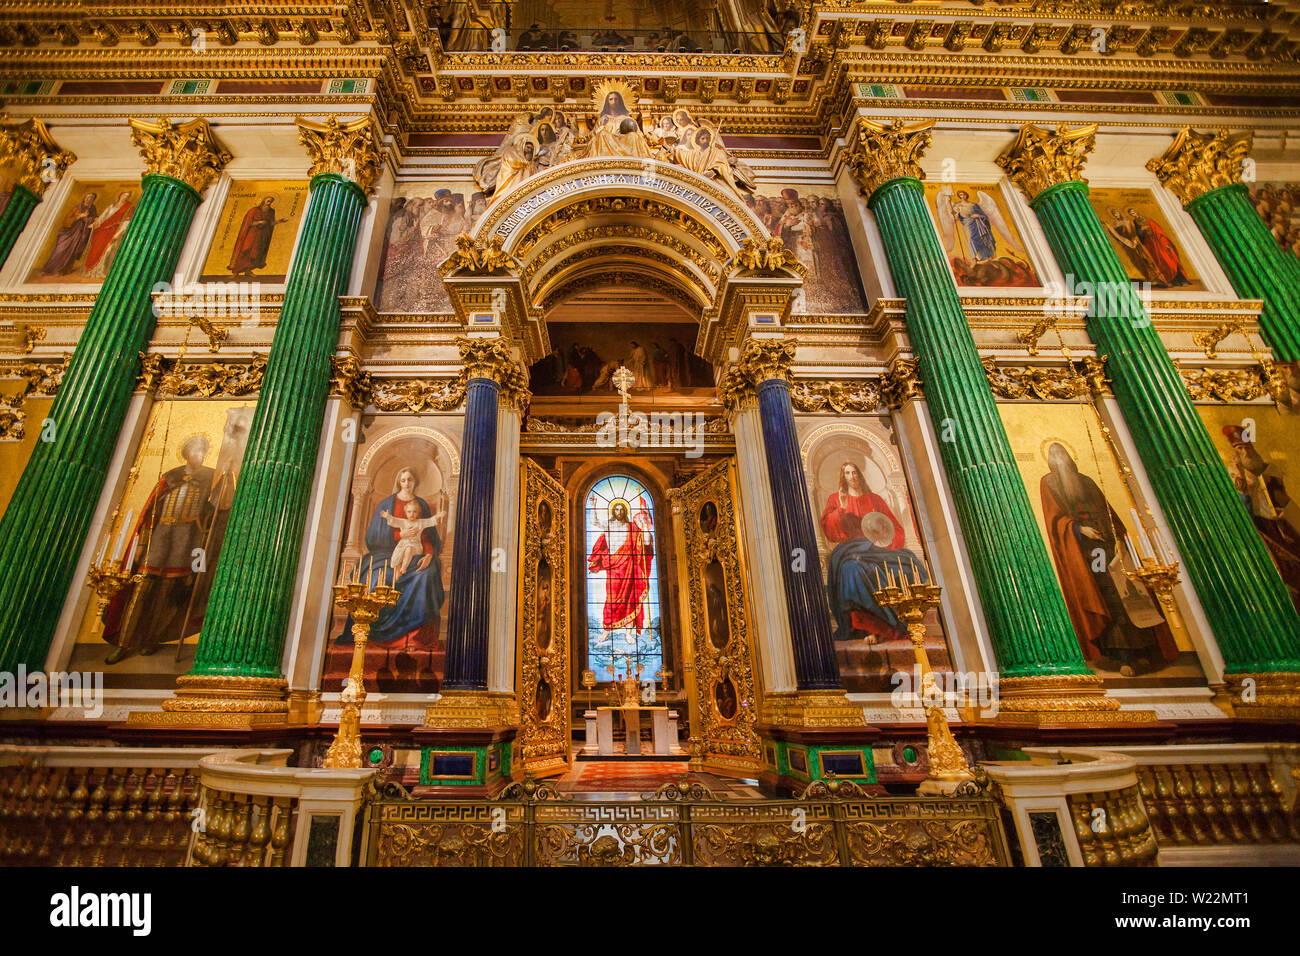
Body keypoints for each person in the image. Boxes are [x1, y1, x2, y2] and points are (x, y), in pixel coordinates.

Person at [1040, 443, 1175, 675]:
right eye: (1056, 456)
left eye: (1063, 454)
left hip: (1110, 544)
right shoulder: (1049, 483)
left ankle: (1143, 653)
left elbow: (1107, 511)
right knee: (1107, 598)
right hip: (1085, 551)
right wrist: (1079, 530)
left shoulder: (1087, 481)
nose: (1061, 458)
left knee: (1129, 593)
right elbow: (1055, 519)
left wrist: (1120, 538)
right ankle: (1119, 656)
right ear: (1051, 462)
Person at [101, 435, 226, 663]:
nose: (198, 454)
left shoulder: (211, 477)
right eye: (195, 450)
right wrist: (140, 543)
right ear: (186, 452)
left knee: (169, 592)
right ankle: (124, 641)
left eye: (202, 450)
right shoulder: (171, 476)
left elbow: (217, 508)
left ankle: (152, 639)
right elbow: (151, 511)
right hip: (160, 535)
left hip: (188, 537)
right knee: (141, 588)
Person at [338, 466, 445, 651]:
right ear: (399, 481)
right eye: (403, 480)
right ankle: (370, 633)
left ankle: (414, 638)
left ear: (415, 482)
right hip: (386, 554)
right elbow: (373, 537)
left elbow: (429, 536)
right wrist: (401, 535)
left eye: (410, 479)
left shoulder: (422, 505)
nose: (407, 483)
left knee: (427, 574)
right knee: (375, 577)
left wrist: (429, 555)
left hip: (417, 554)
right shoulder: (387, 504)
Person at [820, 461, 925, 642]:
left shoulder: (875, 499)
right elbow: (829, 530)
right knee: (851, 570)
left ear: (860, 475)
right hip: (851, 549)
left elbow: (894, 528)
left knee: (909, 560)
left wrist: (885, 541)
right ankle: (871, 628)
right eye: (847, 473)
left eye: (854, 472)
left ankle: (905, 618)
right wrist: (842, 509)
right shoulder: (836, 499)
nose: (852, 476)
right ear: (843, 477)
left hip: (876, 548)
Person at [1223, 425, 1300, 611]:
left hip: (1276, 524)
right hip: (1253, 528)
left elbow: (1281, 497)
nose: (1246, 452)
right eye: (1240, 448)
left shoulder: (1266, 469)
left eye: (1248, 447)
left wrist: (1283, 506)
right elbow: (1236, 507)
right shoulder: (1232, 474)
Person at [588, 498, 655, 633]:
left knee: (630, 598)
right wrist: (593, 505)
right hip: (613, 567)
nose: (619, 512)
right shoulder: (608, 525)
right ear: (613, 511)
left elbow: (646, 543)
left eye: (621, 509)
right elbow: (594, 522)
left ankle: (628, 632)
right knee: (611, 598)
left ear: (625, 511)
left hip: (628, 567)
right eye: (617, 509)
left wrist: (645, 525)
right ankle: (607, 630)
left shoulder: (632, 526)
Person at [382, 499, 446, 577]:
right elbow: (394, 521)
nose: (412, 514)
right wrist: (387, 516)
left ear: (418, 513)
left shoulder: (420, 522)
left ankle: (404, 567)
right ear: (405, 513)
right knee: (396, 562)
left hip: (415, 545)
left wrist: (438, 516)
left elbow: (430, 521)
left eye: (414, 512)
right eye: (409, 512)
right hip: (402, 545)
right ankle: (396, 581)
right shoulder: (403, 522)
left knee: (409, 548)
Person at [227, 195, 287, 276]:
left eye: (271, 201)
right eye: (268, 201)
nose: (269, 203)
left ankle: (248, 271)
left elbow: (271, 223)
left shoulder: (271, 211)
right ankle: (236, 271)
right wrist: (259, 222)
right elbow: (248, 223)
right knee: (245, 250)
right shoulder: (254, 210)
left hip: (262, 235)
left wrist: (279, 221)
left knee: (256, 253)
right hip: (251, 234)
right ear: (263, 201)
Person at [40, 191, 97, 275]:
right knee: (60, 250)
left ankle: (62, 271)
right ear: (84, 198)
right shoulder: (77, 208)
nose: (89, 199)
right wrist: (79, 216)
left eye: (91, 198)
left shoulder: (92, 209)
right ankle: (49, 270)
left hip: (80, 234)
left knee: (72, 252)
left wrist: (93, 221)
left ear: (93, 200)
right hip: (69, 232)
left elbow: (94, 218)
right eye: (87, 197)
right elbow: (66, 221)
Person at [84, 189, 135, 276]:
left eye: (127, 196)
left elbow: (128, 221)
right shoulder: (112, 206)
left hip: (116, 231)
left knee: (109, 251)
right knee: (96, 249)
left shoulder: (130, 207)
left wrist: (119, 233)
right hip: (103, 230)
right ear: (120, 195)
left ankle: (103, 271)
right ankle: (94, 271)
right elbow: (103, 217)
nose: (125, 197)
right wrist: (95, 223)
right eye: (124, 195)